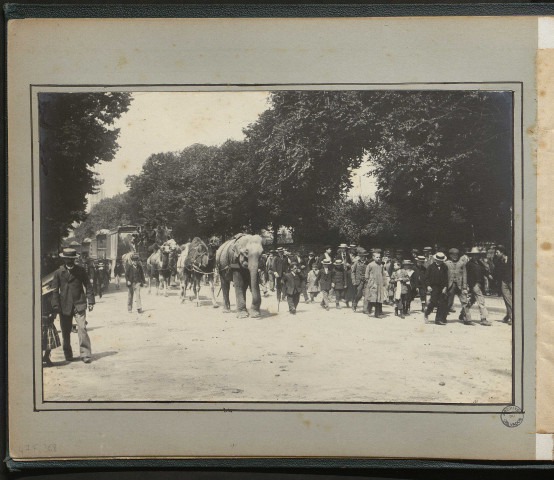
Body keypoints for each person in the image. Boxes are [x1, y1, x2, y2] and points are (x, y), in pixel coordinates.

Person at [51, 248, 94, 363]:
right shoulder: (58, 272)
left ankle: (85, 354)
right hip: (64, 305)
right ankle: (68, 354)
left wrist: (91, 301)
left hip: (79, 304)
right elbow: (55, 290)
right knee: (65, 331)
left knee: (82, 328)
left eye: (71, 259)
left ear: (74, 259)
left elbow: (88, 285)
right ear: (64, 259)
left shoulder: (81, 271)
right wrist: (55, 305)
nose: (69, 261)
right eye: (67, 259)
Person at [465, 247, 491, 326]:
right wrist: (469, 285)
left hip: (480, 284)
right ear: (471, 255)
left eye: (477, 255)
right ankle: (483, 319)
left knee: (472, 300)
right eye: (474, 255)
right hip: (474, 284)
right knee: (481, 300)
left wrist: (488, 275)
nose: (476, 256)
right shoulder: (469, 264)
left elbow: (484, 271)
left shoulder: (480, 263)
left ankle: (464, 312)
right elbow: (467, 276)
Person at [445, 247, 471, 325]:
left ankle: (467, 319)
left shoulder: (462, 263)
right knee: (448, 303)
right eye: (453, 255)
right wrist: (445, 286)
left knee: (464, 302)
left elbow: (465, 275)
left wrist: (465, 287)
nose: (455, 256)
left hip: (460, 286)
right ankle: (443, 317)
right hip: (450, 285)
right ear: (450, 255)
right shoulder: (446, 263)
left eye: (456, 255)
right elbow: (444, 276)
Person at [424, 252, 449, 325]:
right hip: (433, 287)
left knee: (441, 303)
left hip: (442, 287)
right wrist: (428, 286)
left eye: (441, 260)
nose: (439, 262)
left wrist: (445, 287)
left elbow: (446, 278)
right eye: (438, 260)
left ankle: (438, 319)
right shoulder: (431, 267)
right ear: (436, 260)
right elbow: (426, 277)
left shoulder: (444, 267)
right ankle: (427, 313)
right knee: (433, 302)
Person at [41, 283, 61, 367]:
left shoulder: (51, 299)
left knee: (50, 341)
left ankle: (46, 356)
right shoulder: (40, 301)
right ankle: (40, 357)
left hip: (49, 322)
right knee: (41, 341)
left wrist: (53, 314)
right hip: (41, 322)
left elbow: (55, 309)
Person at [364, 249, 386, 318]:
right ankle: (372, 311)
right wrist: (368, 281)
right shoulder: (370, 265)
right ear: (373, 257)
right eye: (377, 257)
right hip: (373, 284)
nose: (378, 258)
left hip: (379, 284)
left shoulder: (381, 265)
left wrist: (384, 282)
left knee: (378, 298)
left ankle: (375, 312)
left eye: (379, 257)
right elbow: (367, 274)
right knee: (373, 298)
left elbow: (383, 274)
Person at [494, 244, 512, 325]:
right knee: (507, 299)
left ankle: (509, 315)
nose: (495, 254)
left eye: (497, 252)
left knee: (513, 299)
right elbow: (496, 272)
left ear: (502, 252)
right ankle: (512, 317)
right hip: (504, 282)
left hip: (512, 281)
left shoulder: (512, 259)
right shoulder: (498, 261)